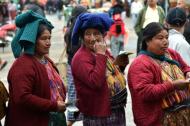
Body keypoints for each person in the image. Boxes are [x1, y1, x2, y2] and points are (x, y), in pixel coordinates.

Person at [5, 10, 67, 126]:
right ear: (32, 40)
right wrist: (53, 105)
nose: (48, 42)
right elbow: (22, 97)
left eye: (49, 38)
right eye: (44, 39)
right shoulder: (23, 65)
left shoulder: (46, 60)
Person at [128, 22, 190, 126]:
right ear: (148, 41)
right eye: (160, 38)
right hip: (160, 120)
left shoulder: (170, 53)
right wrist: (173, 85)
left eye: (166, 37)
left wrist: (187, 72)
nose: (165, 42)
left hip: (183, 117)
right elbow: (145, 92)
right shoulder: (140, 63)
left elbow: (185, 66)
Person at [71, 12, 128, 126]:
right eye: (88, 34)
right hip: (97, 115)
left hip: (115, 111)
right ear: (82, 37)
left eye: (96, 33)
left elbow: (111, 70)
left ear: (103, 35)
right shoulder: (81, 58)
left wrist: (120, 65)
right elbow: (95, 82)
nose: (92, 38)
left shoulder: (102, 50)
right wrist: (101, 55)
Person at [64, 5, 87, 126]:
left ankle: (69, 121)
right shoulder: (81, 32)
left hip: (70, 66)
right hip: (81, 67)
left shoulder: (68, 30)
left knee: (73, 97)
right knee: (85, 97)